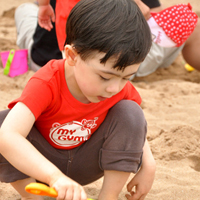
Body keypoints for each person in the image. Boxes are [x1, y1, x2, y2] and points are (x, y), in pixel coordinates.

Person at [0, 0, 156, 200]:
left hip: (88, 161)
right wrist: (54, 176)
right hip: (40, 166)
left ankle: (108, 196)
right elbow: (7, 136)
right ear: (72, 55)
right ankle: (35, 197)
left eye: (126, 77)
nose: (114, 88)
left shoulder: (118, 88)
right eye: (104, 77)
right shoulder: (47, 81)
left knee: (131, 111)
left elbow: (135, 126)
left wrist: (148, 164)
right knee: (4, 123)